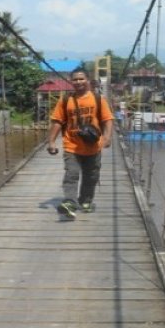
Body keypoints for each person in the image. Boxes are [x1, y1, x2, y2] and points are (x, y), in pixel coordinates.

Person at [47, 70, 114, 219]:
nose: (78, 82)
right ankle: (70, 202)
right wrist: (51, 141)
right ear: (71, 82)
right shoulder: (65, 100)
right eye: (75, 80)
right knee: (71, 174)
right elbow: (57, 121)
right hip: (72, 145)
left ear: (88, 80)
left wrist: (108, 137)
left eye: (81, 79)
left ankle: (86, 200)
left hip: (93, 146)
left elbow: (107, 119)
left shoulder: (98, 99)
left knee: (91, 177)